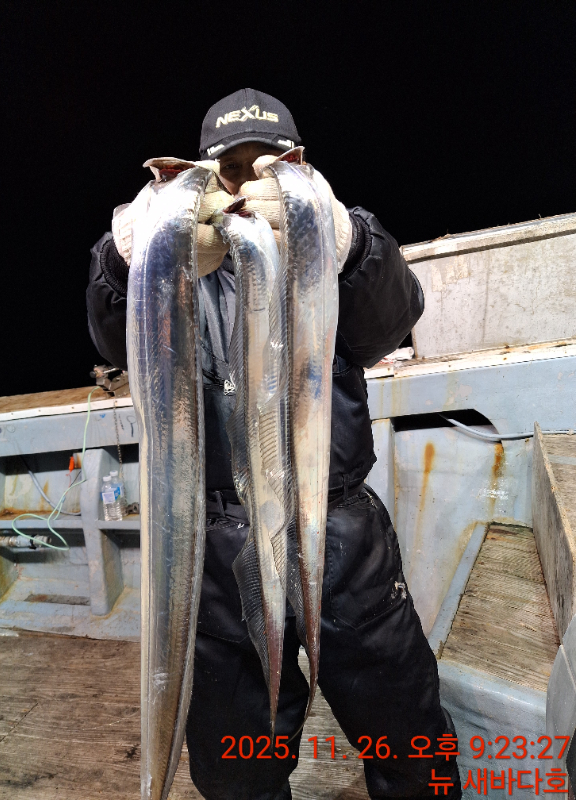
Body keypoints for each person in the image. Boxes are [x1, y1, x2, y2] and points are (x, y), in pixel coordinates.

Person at [86, 88, 462, 800]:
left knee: (410, 742)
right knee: (239, 769)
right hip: (218, 544)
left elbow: (393, 319)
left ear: (297, 167)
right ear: (202, 176)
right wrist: (127, 256)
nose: (245, 186)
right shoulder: (174, 259)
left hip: (339, 531)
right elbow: (114, 339)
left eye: (267, 167)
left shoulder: (331, 248)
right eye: (230, 170)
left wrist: (347, 243)